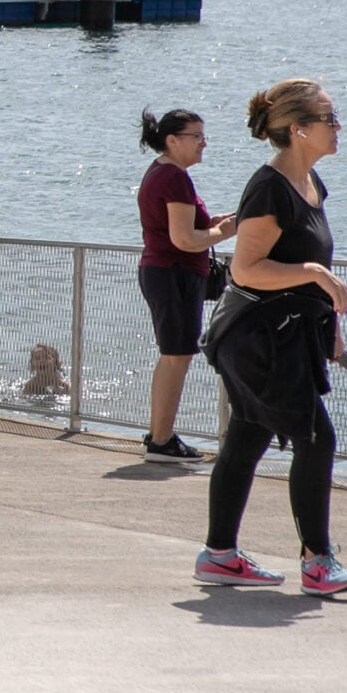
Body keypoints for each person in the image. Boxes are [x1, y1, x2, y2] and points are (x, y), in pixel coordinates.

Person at [197, 79, 347, 595]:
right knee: (316, 439)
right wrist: (316, 273)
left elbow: (307, 263)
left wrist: (330, 328)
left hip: (289, 335)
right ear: (298, 129)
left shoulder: (310, 183)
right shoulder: (269, 188)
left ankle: (219, 555)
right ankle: (318, 563)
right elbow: (246, 271)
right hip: (258, 339)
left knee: (248, 437)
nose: (338, 127)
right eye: (329, 118)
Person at [137, 108, 239, 464]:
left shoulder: (162, 173)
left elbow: (187, 227)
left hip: (165, 271)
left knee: (173, 355)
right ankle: (162, 441)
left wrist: (224, 222)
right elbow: (185, 239)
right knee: (176, 356)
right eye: (196, 136)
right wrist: (225, 232)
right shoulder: (174, 178)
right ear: (172, 140)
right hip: (174, 272)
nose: (203, 143)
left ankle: (159, 434)